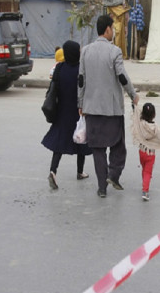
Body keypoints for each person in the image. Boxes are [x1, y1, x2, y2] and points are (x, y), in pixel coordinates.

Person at [78, 15, 139, 198]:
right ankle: (113, 175)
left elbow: (81, 80)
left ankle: (102, 188)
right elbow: (122, 76)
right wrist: (133, 95)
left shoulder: (85, 51)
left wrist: (80, 103)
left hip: (92, 108)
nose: (114, 31)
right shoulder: (115, 52)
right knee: (118, 145)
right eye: (113, 28)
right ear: (107, 30)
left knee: (98, 149)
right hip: (112, 109)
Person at [42, 41, 92, 189]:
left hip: (62, 111)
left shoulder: (60, 68)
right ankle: (80, 171)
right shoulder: (80, 69)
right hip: (78, 110)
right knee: (81, 138)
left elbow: (53, 87)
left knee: (59, 143)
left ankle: (53, 170)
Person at [131, 102, 160, 201]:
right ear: (154, 114)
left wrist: (134, 106)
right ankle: (145, 191)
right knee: (148, 172)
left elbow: (136, 115)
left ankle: (144, 183)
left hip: (142, 152)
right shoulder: (155, 128)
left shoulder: (141, 124)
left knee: (144, 170)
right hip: (150, 154)